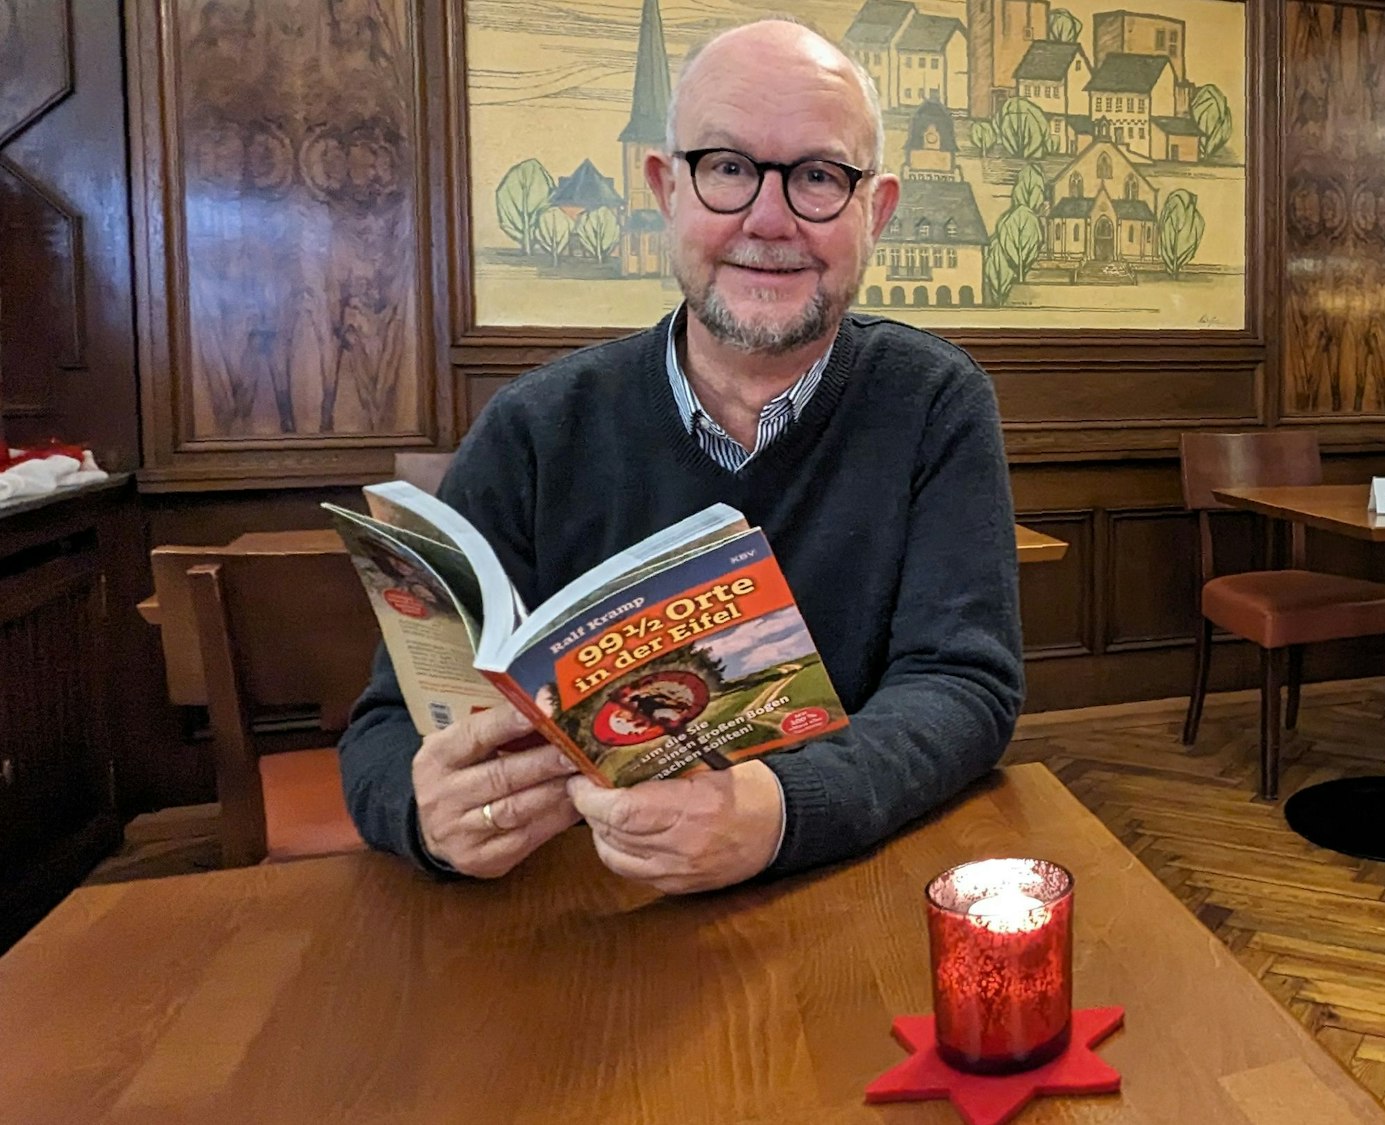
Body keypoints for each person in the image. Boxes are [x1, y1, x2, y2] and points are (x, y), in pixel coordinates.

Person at [337, 18, 1023, 893]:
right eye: (729, 169)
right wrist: (423, 810)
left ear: (875, 211)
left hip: (849, 890)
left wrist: (780, 810)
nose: (768, 220)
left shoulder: (936, 404)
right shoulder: (534, 429)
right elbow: (387, 729)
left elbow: (964, 685)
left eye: (818, 176)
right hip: (578, 921)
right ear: (666, 189)